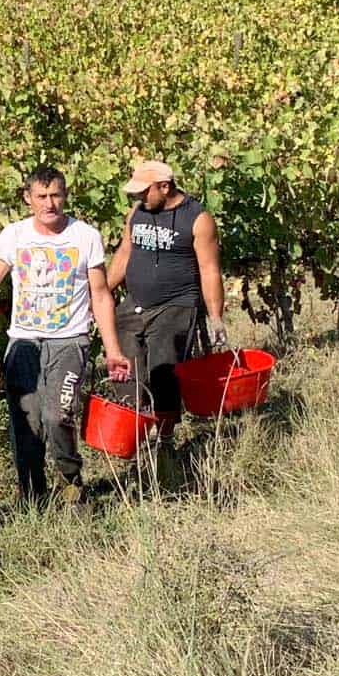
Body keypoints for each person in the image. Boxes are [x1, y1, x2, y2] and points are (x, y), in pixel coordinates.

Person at [0, 167, 130, 506]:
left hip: (70, 341)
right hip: (24, 342)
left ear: (66, 196)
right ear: (28, 198)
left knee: (58, 416)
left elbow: (100, 294)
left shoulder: (85, 236)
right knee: (27, 423)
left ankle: (71, 481)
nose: (49, 204)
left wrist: (113, 350)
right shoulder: (13, 236)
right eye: (41, 196)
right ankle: (32, 496)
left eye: (56, 195)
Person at [107, 158, 226, 486]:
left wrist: (215, 317)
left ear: (165, 186)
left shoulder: (198, 219)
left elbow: (210, 270)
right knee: (124, 366)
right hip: (136, 305)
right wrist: (100, 294)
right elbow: (123, 255)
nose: (139, 198)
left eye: (144, 191)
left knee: (164, 368)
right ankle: (135, 433)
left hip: (178, 305)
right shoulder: (137, 213)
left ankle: (166, 441)